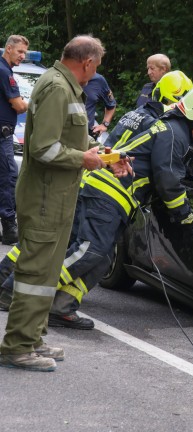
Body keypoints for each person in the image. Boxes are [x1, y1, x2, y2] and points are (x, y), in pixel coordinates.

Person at [46, 86, 193, 329]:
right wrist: (185, 218)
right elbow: (168, 181)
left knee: (103, 259)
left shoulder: (179, 132)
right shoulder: (173, 133)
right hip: (108, 192)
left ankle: (61, 307)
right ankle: (34, 295)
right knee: (91, 251)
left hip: (116, 196)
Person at [0, 35, 132, 372]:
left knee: (47, 272)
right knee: (35, 271)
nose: (95, 73)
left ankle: (31, 338)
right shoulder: (58, 87)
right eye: (96, 66)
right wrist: (84, 160)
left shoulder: (65, 85)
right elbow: (44, 148)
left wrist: (103, 156)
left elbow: (71, 138)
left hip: (57, 196)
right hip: (45, 197)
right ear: (87, 62)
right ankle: (17, 346)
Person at [0, 35, 30, 246]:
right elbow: (19, 106)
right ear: (8, 48)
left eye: (25, 53)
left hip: (6, 133)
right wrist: (34, 102)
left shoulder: (4, 69)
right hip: (3, 136)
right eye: (19, 52)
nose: (22, 56)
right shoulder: (3, 71)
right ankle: (10, 229)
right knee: (10, 178)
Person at [84, 72, 116, 137]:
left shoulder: (98, 80)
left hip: (86, 135)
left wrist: (105, 124)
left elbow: (111, 104)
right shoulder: (63, 78)